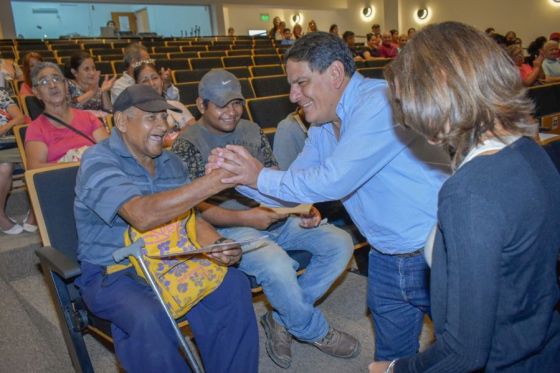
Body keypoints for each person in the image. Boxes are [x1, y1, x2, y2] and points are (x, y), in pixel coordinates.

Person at [206, 31, 448, 363]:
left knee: (462, 353)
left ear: (335, 73)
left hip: (436, 252)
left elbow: (333, 180)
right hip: (386, 256)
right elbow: (291, 191)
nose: (293, 96)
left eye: (300, 83)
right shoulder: (322, 127)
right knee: (393, 358)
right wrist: (235, 176)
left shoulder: (378, 102)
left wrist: (256, 173)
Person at [370, 21, 560, 373]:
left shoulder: (470, 193)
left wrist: (396, 369)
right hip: (540, 343)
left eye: (413, 105)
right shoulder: (532, 150)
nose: (412, 121)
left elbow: (463, 352)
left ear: (441, 91)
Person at [171, 69, 358, 369]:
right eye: (221, 105)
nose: (231, 112)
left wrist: (300, 208)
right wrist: (246, 217)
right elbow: (194, 210)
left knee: (339, 243)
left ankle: (281, 317)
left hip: (272, 214)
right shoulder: (187, 144)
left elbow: (273, 176)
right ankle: (313, 329)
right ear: (201, 105)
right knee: (277, 265)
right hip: (228, 228)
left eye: (235, 103)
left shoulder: (251, 129)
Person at [74, 84, 259, 373]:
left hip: (171, 258)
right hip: (114, 271)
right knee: (148, 316)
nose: (163, 125)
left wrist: (216, 243)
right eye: (152, 118)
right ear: (122, 121)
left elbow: (190, 218)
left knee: (232, 285)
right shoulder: (98, 160)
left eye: (164, 117)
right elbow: (141, 215)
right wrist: (215, 181)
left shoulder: (170, 162)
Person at [25, 62, 109, 169]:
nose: (52, 85)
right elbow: (35, 168)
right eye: (44, 82)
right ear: (36, 92)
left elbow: (108, 150)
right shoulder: (36, 128)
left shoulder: (88, 117)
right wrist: (76, 163)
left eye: (56, 79)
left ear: (65, 85)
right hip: (65, 180)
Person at [133, 62, 195, 146]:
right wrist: (182, 133)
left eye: (155, 78)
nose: (152, 84)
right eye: (145, 80)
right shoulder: (137, 114)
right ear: (137, 87)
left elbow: (196, 131)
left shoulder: (176, 105)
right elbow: (153, 144)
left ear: (161, 81)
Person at [111, 43, 179, 103]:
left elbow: (175, 100)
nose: (149, 64)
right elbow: (135, 108)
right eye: (146, 61)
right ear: (134, 62)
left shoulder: (153, 78)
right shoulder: (119, 86)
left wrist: (167, 86)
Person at [0, 88, 26, 234]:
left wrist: (3, 129)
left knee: (36, 158)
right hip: (5, 147)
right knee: (4, 167)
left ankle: (36, 214)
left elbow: (20, 118)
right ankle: (0, 216)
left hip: (9, 143)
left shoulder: (1, 94)